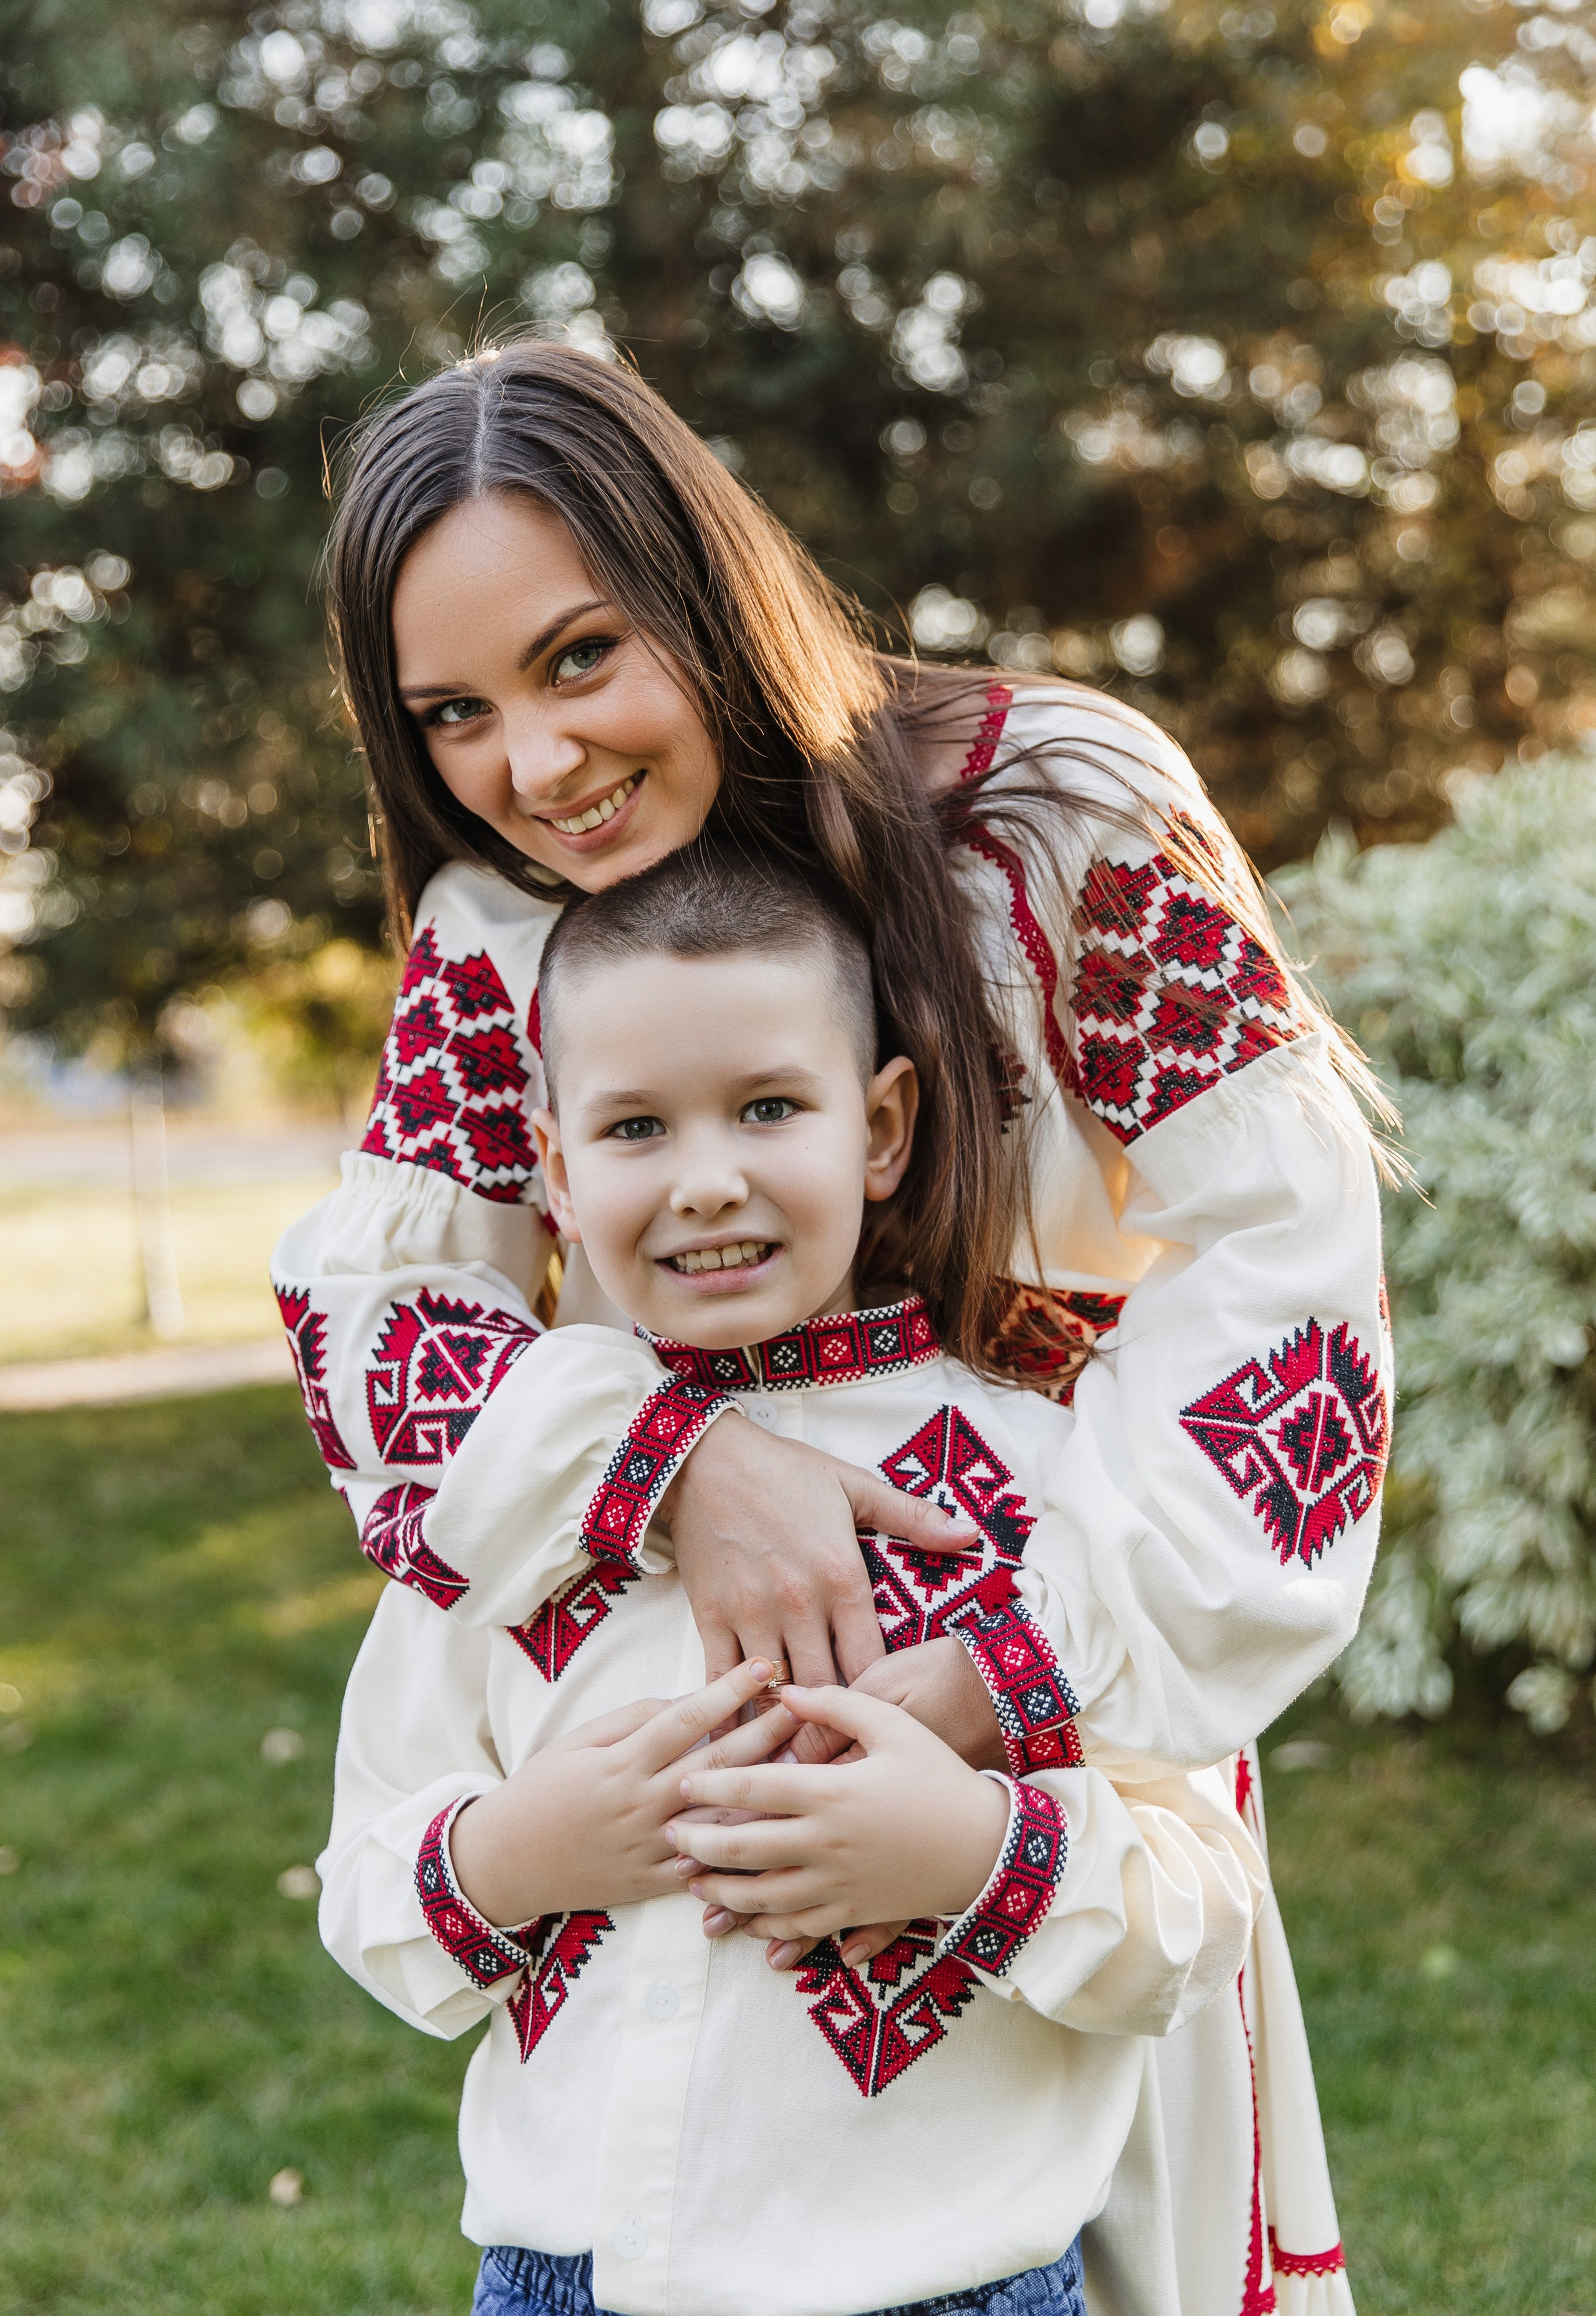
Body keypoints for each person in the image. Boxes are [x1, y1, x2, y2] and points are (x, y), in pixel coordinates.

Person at [274, 337, 1387, 2312]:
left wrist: (978, 1707)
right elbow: (381, 1317)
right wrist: (680, 1465)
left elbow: (1285, 1293)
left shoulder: (1055, 817)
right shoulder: (504, 935)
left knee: (1064, 2225)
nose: (534, 769)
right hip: (686, 1745)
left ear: (705, 592)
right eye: (450, 713)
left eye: (582, 657)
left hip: (1056, 1726)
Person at [316, 846, 1267, 2316]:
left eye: (768, 1107)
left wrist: (967, 1854)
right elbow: (369, 1884)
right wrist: (525, 1849)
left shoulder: (1045, 1490)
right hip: (560, 2279)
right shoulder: (507, 1494)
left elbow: (1201, 1909)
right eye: (634, 1127)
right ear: (555, 1169)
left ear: (879, 1125)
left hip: (943, 2288)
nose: (707, 1182)